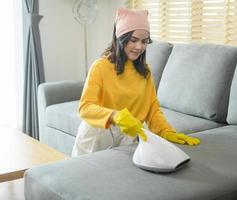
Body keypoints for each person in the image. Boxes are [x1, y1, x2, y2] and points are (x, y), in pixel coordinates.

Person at [71, 7, 200, 157]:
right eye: (133, 40)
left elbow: (152, 108)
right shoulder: (100, 67)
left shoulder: (145, 71)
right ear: (121, 38)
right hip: (98, 135)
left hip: (130, 136)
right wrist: (115, 116)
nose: (139, 47)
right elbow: (85, 108)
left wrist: (166, 131)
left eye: (144, 42)